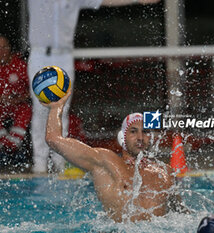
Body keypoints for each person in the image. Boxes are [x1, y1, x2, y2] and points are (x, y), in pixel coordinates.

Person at [27, 0, 161, 173]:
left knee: (62, 110)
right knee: (39, 110)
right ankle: (40, 164)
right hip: (39, 55)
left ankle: (59, 163)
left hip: (64, 56)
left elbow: (107, 1)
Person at [42, 90, 187, 222]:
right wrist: (56, 108)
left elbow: (182, 216)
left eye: (145, 132)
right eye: (133, 131)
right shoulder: (104, 161)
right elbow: (53, 139)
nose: (140, 137)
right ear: (122, 137)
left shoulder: (165, 172)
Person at [0, 35, 31, 155]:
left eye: (4, 47)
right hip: (2, 106)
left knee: (25, 111)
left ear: (10, 48)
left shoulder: (20, 65)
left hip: (18, 105)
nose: (1, 51)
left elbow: (33, 89)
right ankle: (4, 146)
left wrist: (18, 99)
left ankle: (11, 147)